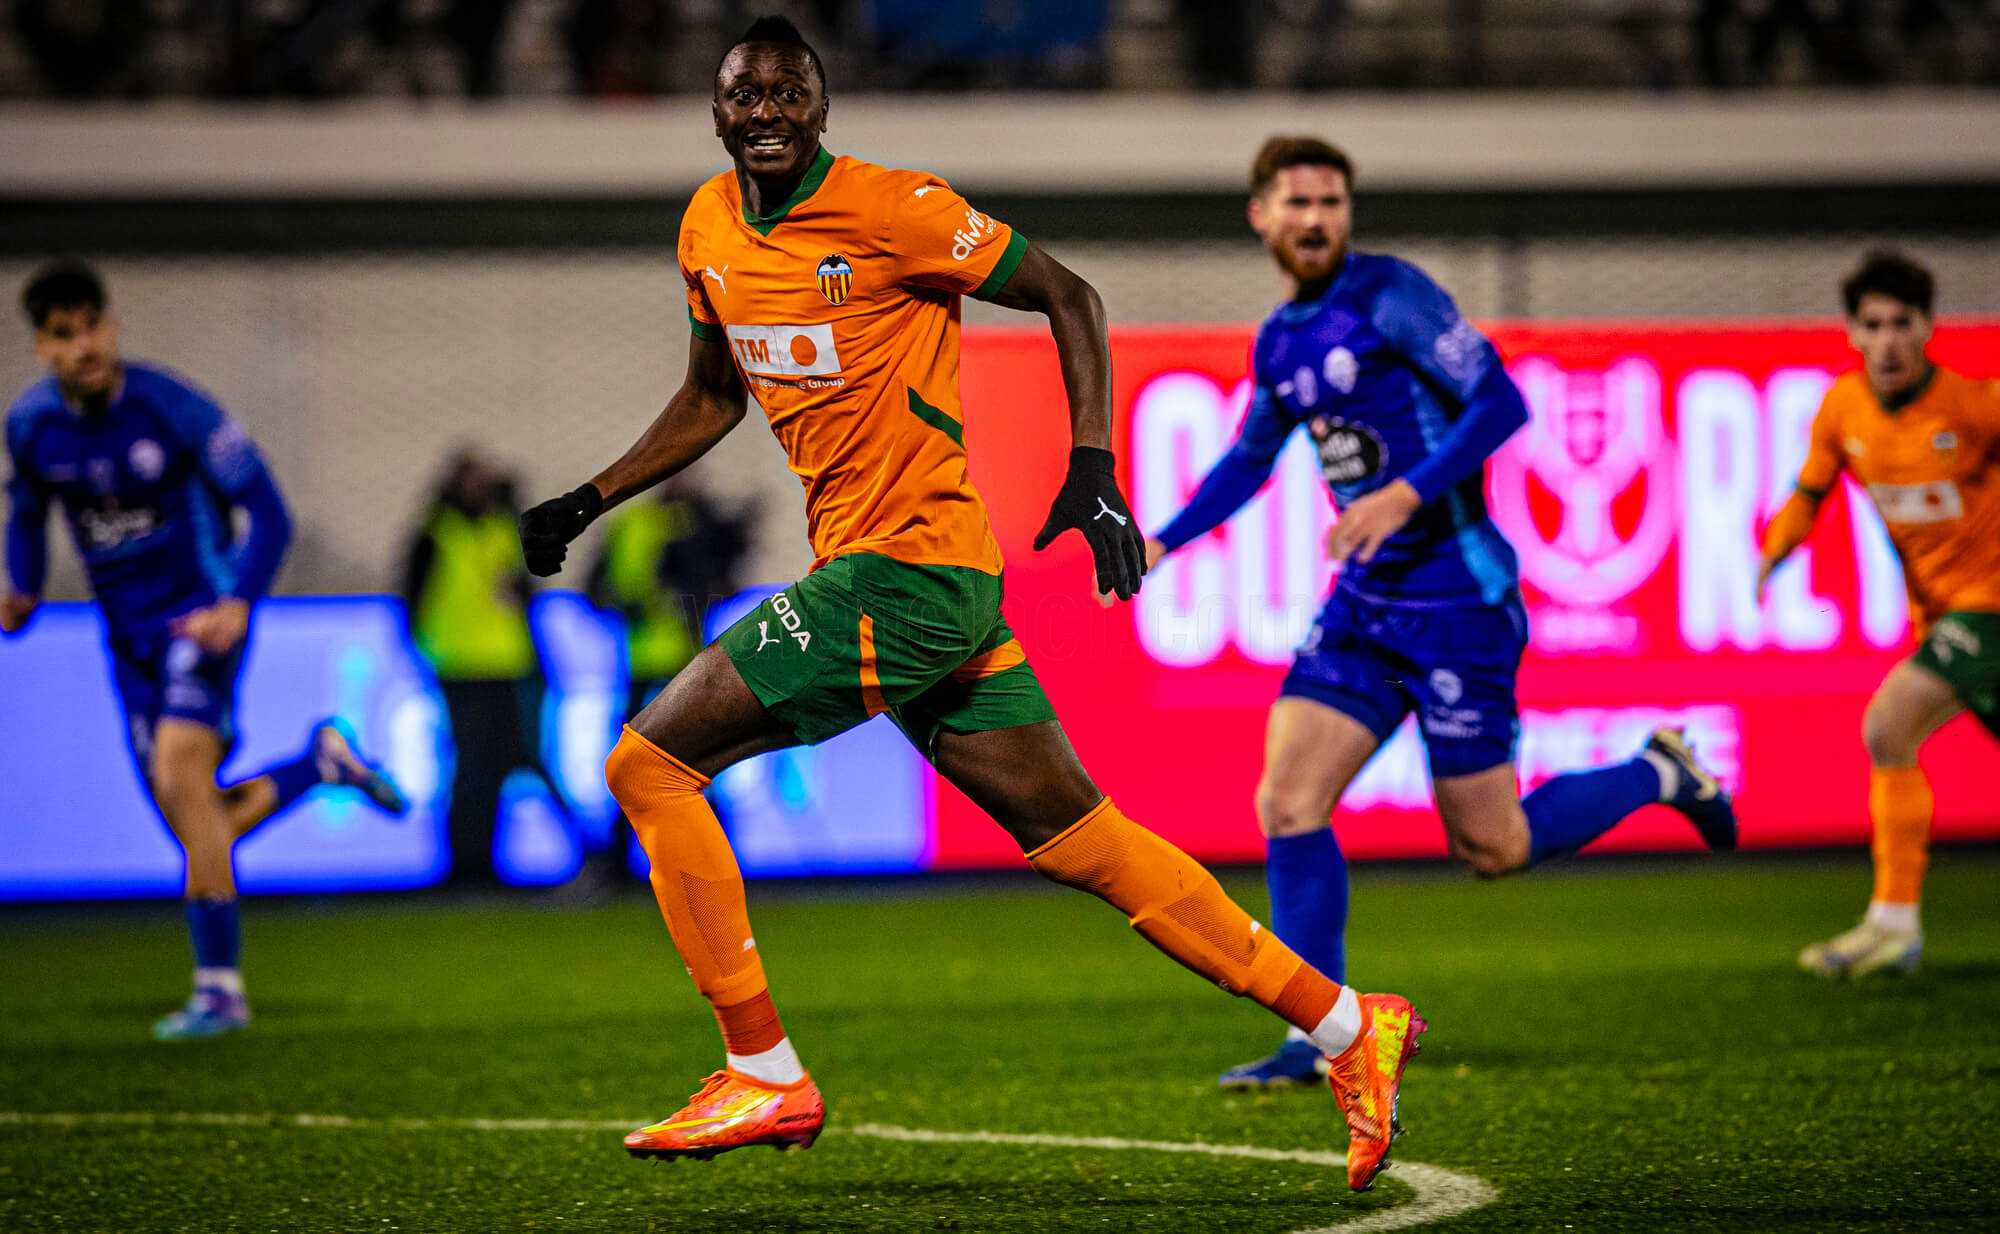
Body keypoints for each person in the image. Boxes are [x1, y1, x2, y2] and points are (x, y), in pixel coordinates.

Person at [515, 17, 1421, 1192]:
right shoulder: (704, 228)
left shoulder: (896, 210)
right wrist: (589, 500)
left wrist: (1089, 464)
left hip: (903, 573)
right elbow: (709, 397)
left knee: (647, 766)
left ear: (822, 107)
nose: (769, 109)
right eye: (748, 93)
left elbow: (1069, 294)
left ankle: (763, 1068)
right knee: (1083, 841)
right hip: (914, 587)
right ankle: (1351, 1027)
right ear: (719, 111)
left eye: (792, 90)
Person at [1141, 138, 1738, 1089]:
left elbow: (1499, 400)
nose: (1316, 219)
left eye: (1332, 202)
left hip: (1460, 603)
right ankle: (1323, 1034)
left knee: (1492, 850)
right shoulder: (1282, 338)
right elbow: (1253, 457)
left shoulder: (1392, 294)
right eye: (1297, 202)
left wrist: (1404, 496)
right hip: (1365, 610)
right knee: (1287, 802)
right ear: (1261, 215)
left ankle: (1656, 772)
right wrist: (1164, 539)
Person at [3, 258, 407, 1040]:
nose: (84, 345)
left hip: (198, 623)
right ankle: (320, 764)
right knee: (197, 824)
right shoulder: (31, 428)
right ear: (42, 348)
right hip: (128, 645)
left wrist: (236, 606)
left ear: (110, 327)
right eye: (64, 335)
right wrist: (19, 587)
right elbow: (25, 516)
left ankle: (219, 990)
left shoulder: (173, 410)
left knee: (179, 778)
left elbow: (270, 513)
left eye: (92, 326)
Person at [1765, 252, 2000, 979]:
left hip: (1990, 610)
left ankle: (1893, 924)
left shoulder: (1974, 407)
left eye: (1903, 322)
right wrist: (1775, 550)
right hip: (1941, 619)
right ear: (1852, 333)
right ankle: (1893, 923)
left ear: (1929, 329)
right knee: (1892, 739)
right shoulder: (1844, 409)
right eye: (1874, 324)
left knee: (1887, 723)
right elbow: (1812, 489)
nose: (1889, 339)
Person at [581, 471, 751, 883]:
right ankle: (630, 863)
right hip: (656, 659)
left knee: (687, 760)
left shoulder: (690, 525)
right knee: (660, 762)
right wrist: (630, 604)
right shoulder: (633, 524)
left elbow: (725, 582)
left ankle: (709, 861)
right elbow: (596, 589)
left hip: (681, 659)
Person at [401, 449, 550, 888]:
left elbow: (527, 591)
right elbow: (411, 599)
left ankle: (487, 864)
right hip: (460, 665)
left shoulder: (503, 528)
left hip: (505, 663)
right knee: (469, 768)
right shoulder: (436, 534)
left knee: (499, 766)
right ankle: (463, 866)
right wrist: (427, 651)